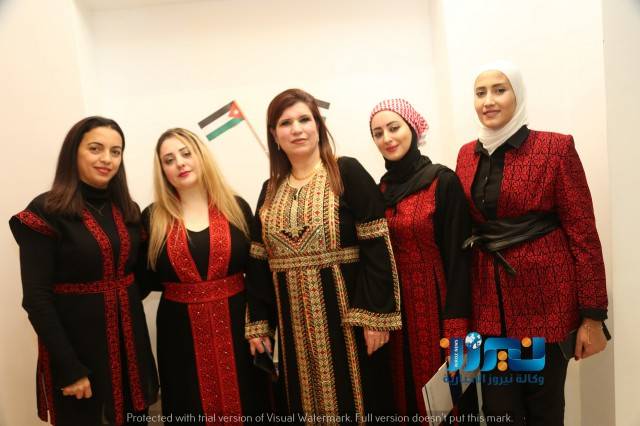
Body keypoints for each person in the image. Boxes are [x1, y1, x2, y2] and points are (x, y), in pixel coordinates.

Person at [455, 61, 609, 426]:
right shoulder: (466, 155)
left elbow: (584, 235)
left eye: (499, 90)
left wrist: (593, 317)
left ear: (517, 95)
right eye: (480, 93)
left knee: (545, 412)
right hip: (489, 308)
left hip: (546, 304)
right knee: (498, 412)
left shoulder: (555, 148)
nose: (488, 101)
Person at [245, 88, 401, 421]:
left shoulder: (347, 172)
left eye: (304, 119)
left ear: (318, 125)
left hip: (351, 325)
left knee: (360, 404)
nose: (296, 129)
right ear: (274, 135)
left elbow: (377, 248)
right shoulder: (269, 190)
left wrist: (374, 316)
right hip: (292, 330)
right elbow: (259, 262)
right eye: (286, 123)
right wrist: (259, 324)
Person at [9, 116, 159, 426]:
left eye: (115, 151)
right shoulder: (47, 211)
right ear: (73, 152)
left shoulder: (127, 209)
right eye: (95, 148)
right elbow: (36, 299)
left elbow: (140, 277)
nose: (107, 159)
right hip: (79, 354)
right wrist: (70, 368)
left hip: (131, 352)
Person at [139, 128, 270, 422]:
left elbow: (257, 272)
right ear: (162, 170)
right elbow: (142, 280)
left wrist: (260, 325)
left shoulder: (235, 207)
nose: (180, 163)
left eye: (186, 153)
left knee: (248, 400)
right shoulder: (152, 217)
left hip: (238, 328)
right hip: (179, 335)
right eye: (169, 160)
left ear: (201, 156)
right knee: (189, 403)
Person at [369, 99, 474, 420]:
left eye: (394, 128)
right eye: (378, 133)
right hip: (395, 314)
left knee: (443, 403)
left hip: (437, 304)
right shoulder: (379, 190)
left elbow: (459, 259)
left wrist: (457, 327)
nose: (387, 138)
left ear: (413, 129)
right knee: (402, 400)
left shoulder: (442, 181)